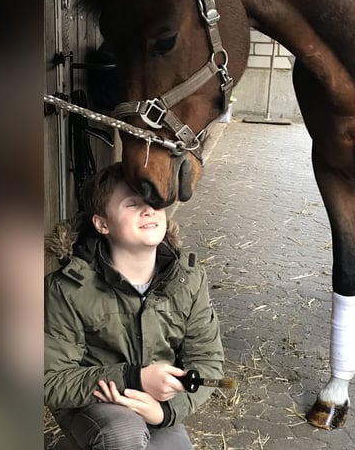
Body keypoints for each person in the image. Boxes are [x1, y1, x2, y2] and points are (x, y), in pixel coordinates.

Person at [44, 162, 224, 450]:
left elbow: (207, 363)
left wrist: (165, 411)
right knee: (123, 435)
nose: (148, 210)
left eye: (155, 202)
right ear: (102, 224)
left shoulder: (188, 280)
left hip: (155, 404)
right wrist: (133, 378)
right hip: (91, 401)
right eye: (132, 204)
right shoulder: (67, 288)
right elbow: (50, 381)